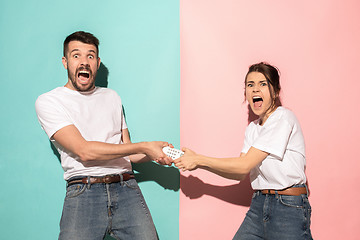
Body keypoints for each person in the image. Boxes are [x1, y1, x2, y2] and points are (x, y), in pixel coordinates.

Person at [35, 31, 173, 240]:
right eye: (76, 55)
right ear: (65, 62)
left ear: (98, 63)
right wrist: (144, 146)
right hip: (83, 191)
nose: (84, 62)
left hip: (127, 188)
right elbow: (84, 151)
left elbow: (129, 153)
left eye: (90, 56)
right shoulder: (49, 102)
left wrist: (156, 153)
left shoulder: (112, 97)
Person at [174, 62, 313, 240]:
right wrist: (197, 164)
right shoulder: (253, 129)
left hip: (288, 206)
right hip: (259, 205)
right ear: (245, 93)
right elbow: (239, 173)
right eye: (250, 85)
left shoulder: (283, 118)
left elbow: (244, 165)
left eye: (263, 84)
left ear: (276, 92)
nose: (255, 89)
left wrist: (199, 160)